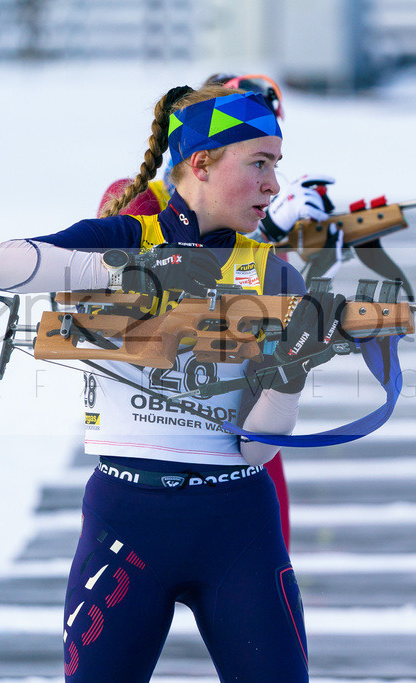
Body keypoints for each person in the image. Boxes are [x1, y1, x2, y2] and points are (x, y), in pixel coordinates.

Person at [0, 83, 347, 681]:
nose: (273, 185)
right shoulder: (126, 235)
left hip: (237, 524)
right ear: (200, 163)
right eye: (259, 163)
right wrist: (145, 273)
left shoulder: (272, 275)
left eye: (275, 166)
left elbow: (257, 448)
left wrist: (290, 374)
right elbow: (1, 265)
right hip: (126, 519)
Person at [94, 73, 335, 550]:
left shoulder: (249, 211)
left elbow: (276, 315)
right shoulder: (137, 199)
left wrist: (317, 256)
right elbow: (135, 291)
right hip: (156, 442)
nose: (267, 180)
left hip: (239, 429)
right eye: (254, 159)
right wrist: (266, 233)